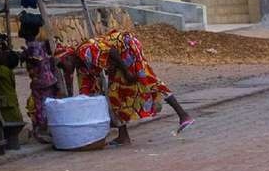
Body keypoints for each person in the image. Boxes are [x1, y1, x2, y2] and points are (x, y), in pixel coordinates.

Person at [63, 27, 191, 143]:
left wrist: (127, 71)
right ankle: (123, 136)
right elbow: (88, 92)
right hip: (120, 59)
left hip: (126, 47)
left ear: (68, 58)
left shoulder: (84, 50)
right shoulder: (81, 67)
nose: (64, 70)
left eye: (62, 65)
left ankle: (183, 115)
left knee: (148, 79)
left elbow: (112, 51)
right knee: (114, 95)